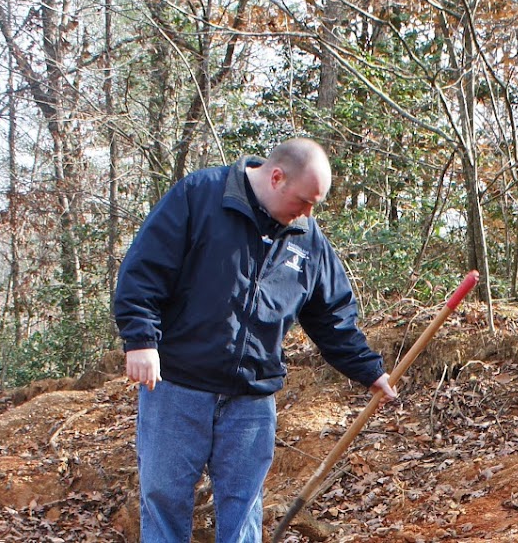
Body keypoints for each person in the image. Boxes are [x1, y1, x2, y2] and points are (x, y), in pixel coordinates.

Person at [113, 138, 397, 543]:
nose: (308, 213)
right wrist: (141, 339)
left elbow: (331, 316)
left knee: (244, 507)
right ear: (276, 177)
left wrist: (367, 370)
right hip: (177, 385)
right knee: (165, 499)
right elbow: (143, 270)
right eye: (303, 201)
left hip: (250, 398)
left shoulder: (306, 236)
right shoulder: (199, 196)